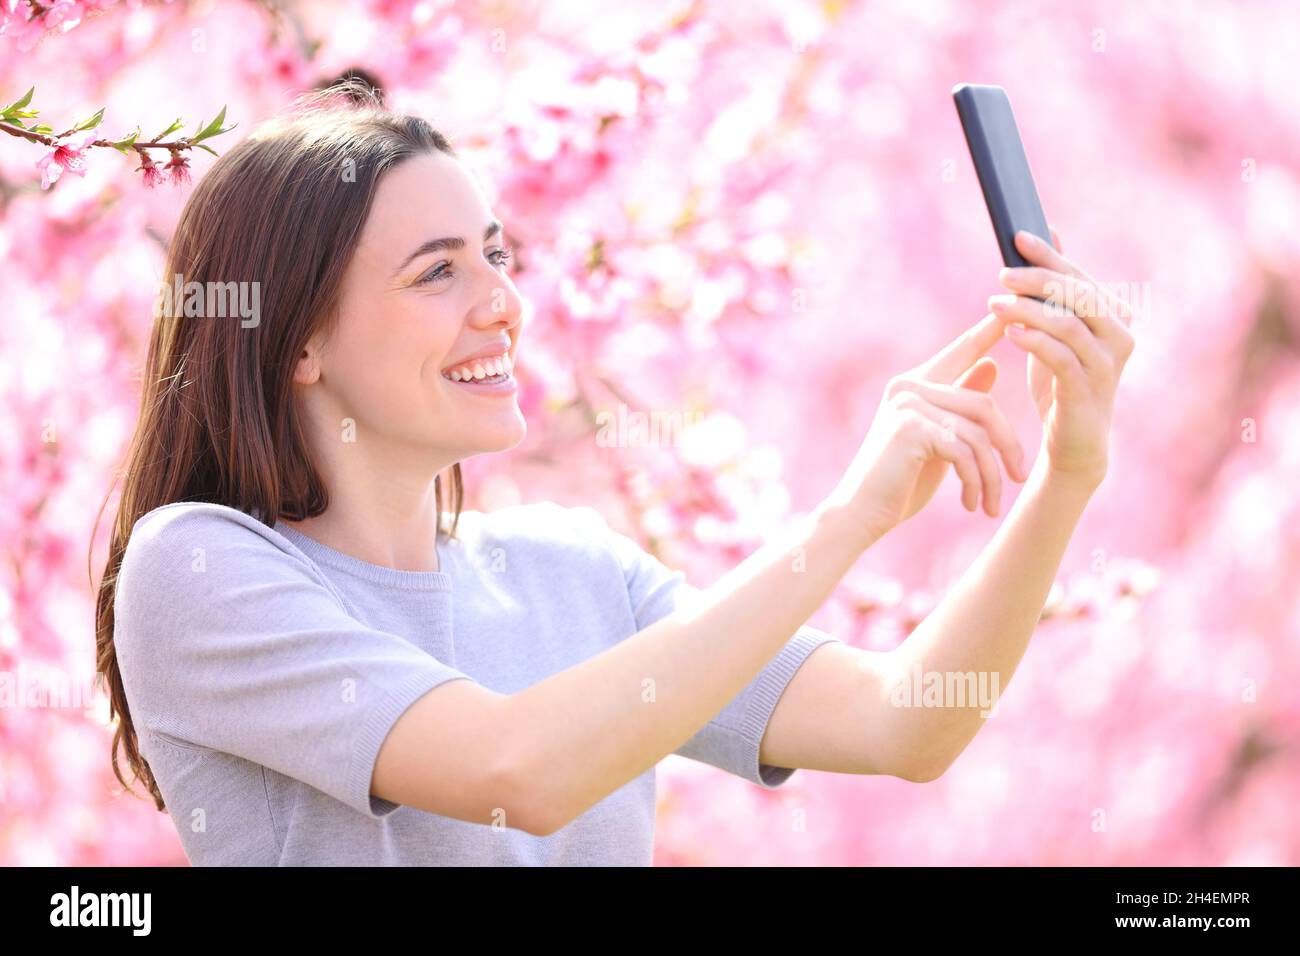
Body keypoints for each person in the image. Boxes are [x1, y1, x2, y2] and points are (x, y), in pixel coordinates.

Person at [92, 81, 1136, 865]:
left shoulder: (576, 571)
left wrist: (1066, 474)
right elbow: (515, 770)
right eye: (437, 270)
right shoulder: (195, 568)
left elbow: (905, 720)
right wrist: (845, 518)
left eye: (496, 254)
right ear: (298, 339)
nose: (501, 300)